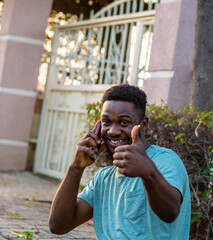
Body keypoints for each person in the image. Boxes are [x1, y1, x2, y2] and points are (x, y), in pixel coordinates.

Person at [49, 84, 191, 239]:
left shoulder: (165, 161)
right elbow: (58, 225)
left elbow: (170, 212)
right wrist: (76, 168)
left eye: (124, 122)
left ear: (142, 124)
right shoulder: (103, 179)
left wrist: (148, 173)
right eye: (107, 122)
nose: (113, 131)